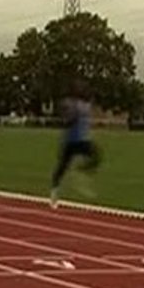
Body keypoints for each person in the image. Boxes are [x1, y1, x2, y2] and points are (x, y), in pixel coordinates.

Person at [50, 79, 100, 207]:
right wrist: (71, 118)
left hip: (82, 140)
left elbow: (87, 120)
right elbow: (66, 118)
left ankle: (80, 169)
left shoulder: (86, 105)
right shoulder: (70, 103)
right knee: (62, 167)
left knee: (96, 157)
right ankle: (54, 191)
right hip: (70, 141)